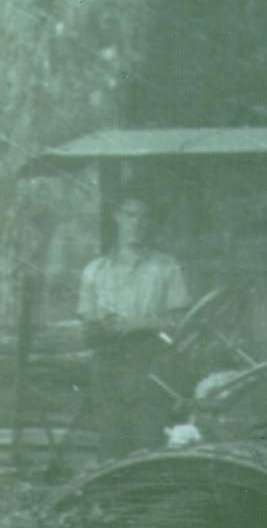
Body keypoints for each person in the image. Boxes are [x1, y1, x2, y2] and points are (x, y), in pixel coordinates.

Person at [76, 197, 191, 460]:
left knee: (147, 446)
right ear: (116, 217)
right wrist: (97, 329)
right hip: (108, 368)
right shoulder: (95, 271)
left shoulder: (166, 266)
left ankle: (146, 501)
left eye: (145, 217)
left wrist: (137, 324)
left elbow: (181, 323)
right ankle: (111, 502)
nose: (137, 223)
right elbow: (86, 330)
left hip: (150, 368)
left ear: (152, 223)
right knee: (110, 446)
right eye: (130, 215)